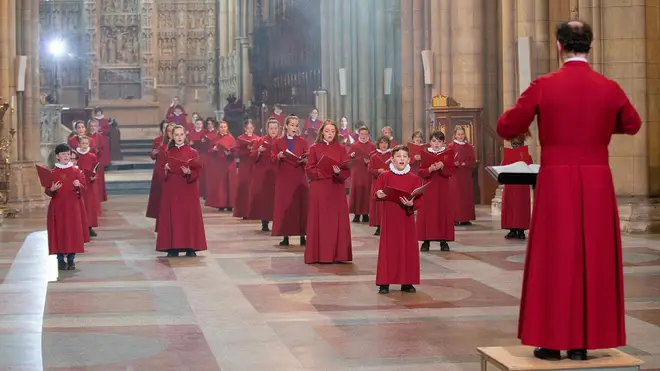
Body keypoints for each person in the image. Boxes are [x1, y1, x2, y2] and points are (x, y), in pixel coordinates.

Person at [496, 20, 642, 360]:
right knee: (595, 257)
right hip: (596, 179)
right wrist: (600, 130)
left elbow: (509, 125)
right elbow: (632, 124)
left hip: (557, 180)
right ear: (590, 46)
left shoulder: (545, 85)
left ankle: (552, 339)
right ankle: (583, 343)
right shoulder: (609, 87)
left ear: (559, 46)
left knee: (555, 256)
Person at [374, 145, 422, 294]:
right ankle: (384, 282)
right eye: (398, 156)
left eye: (404, 156)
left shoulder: (414, 178)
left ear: (409, 160)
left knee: (407, 249)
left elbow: (419, 199)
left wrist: (412, 203)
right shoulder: (385, 176)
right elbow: (376, 192)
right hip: (390, 219)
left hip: (406, 219)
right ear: (392, 159)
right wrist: (379, 193)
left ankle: (407, 282)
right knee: (388, 249)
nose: (401, 159)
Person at [304, 120, 352, 264]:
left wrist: (338, 173)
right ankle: (319, 255)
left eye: (332, 131)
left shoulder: (342, 149)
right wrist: (324, 172)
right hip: (319, 190)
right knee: (320, 221)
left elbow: (346, 170)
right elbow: (309, 169)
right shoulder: (314, 148)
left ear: (336, 133)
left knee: (336, 221)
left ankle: (339, 255)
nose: (330, 134)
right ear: (322, 132)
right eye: (327, 131)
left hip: (336, 188)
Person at [156, 125, 208, 257]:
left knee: (188, 217)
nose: (179, 137)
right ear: (172, 137)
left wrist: (190, 171)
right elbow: (159, 172)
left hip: (187, 188)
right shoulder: (167, 153)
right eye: (176, 135)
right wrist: (166, 168)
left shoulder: (193, 152)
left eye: (181, 134)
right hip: (172, 189)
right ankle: (172, 247)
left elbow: (198, 171)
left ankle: (190, 246)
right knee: (173, 217)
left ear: (185, 136)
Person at [45, 144, 86, 270]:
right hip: (58, 207)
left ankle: (71, 259)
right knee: (59, 231)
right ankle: (60, 259)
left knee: (72, 231)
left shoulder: (76, 171)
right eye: (63, 154)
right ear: (57, 156)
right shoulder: (52, 173)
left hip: (73, 206)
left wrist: (79, 185)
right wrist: (51, 189)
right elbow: (47, 190)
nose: (66, 156)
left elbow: (84, 189)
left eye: (68, 154)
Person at [271, 116, 308, 246]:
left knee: (300, 206)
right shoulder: (278, 142)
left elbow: (307, 157)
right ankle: (285, 236)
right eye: (292, 125)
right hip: (284, 178)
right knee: (285, 206)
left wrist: (305, 160)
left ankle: (303, 235)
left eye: (296, 125)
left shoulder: (302, 142)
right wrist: (279, 156)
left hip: (299, 177)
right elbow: (272, 159)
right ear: (286, 126)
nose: (294, 128)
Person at [417, 130, 455, 252]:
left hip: (443, 188)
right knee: (427, 213)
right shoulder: (425, 153)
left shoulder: (447, 154)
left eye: (439, 141)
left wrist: (442, 167)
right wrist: (430, 169)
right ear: (430, 142)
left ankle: (443, 241)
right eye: (434, 141)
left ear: (443, 142)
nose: (436, 144)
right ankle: (425, 241)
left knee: (442, 212)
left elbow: (450, 172)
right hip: (428, 187)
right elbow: (420, 172)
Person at [247, 119, 280, 231]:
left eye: (275, 128)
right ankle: (264, 223)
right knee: (264, 199)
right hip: (263, 174)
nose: (273, 131)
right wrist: (259, 151)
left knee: (276, 199)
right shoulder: (260, 140)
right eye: (271, 128)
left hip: (276, 174)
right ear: (267, 129)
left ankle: (278, 222)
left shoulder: (281, 141)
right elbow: (251, 155)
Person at [501, 138, 532, 240]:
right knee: (511, 207)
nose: (516, 146)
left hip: (521, 185)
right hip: (510, 185)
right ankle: (512, 230)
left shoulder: (526, 155)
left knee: (521, 208)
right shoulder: (508, 154)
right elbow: (503, 167)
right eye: (514, 144)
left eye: (518, 144)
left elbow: (530, 167)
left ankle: (521, 230)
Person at [448, 125, 477, 226]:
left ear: (465, 135)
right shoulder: (451, 146)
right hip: (455, 176)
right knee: (456, 196)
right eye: (458, 134)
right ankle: (455, 218)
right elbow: (447, 159)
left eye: (462, 134)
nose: (460, 136)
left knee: (466, 196)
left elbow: (473, 160)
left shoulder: (469, 147)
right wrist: (453, 163)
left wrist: (466, 163)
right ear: (455, 135)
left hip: (466, 174)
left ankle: (466, 218)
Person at [205, 120, 236, 211]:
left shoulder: (231, 138)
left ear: (227, 128)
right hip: (218, 164)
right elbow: (209, 151)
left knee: (229, 183)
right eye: (221, 127)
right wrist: (214, 150)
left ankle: (230, 204)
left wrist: (229, 152)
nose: (223, 129)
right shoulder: (215, 139)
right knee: (221, 185)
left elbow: (235, 151)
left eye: (224, 127)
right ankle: (221, 203)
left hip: (228, 163)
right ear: (219, 128)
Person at [348, 126, 376, 223]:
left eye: (365, 134)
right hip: (357, 171)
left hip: (367, 172)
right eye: (362, 134)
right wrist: (351, 156)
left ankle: (365, 214)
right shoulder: (354, 145)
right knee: (357, 192)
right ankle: (357, 214)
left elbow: (375, 158)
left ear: (368, 135)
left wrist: (370, 161)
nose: (364, 136)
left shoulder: (372, 146)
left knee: (366, 192)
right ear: (358, 134)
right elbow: (349, 158)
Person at [146, 121, 173, 220]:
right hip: (159, 168)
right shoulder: (158, 140)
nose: (166, 131)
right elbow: (152, 155)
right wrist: (154, 153)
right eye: (164, 128)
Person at [233, 120, 260, 219]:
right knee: (244, 188)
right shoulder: (240, 138)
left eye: (251, 128)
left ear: (254, 128)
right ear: (245, 128)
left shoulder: (257, 138)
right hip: (244, 165)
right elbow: (236, 153)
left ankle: (254, 212)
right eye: (248, 128)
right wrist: (246, 149)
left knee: (253, 187)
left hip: (254, 165)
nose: (249, 130)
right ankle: (244, 212)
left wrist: (254, 149)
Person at [75, 136, 101, 237]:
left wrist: (95, 177)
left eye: (86, 143)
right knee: (81, 205)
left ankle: (89, 227)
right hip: (80, 184)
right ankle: (80, 227)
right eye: (83, 143)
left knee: (90, 206)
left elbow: (96, 169)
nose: (85, 146)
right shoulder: (76, 156)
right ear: (79, 144)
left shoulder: (92, 156)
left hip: (90, 184)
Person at [368, 136, 392, 235]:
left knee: (388, 205)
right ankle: (379, 226)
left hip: (389, 183)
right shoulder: (374, 156)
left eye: (385, 143)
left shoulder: (392, 155)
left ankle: (389, 225)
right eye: (381, 143)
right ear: (378, 144)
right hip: (377, 183)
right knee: (378, 206)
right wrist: (378, 171)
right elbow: (369, 170)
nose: (384, 145)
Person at [87, 119, 109, 202]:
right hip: (88, 160)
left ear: (97, 127)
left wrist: (97, 151)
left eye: (95, 126)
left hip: (97, 160)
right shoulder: (86, 136)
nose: (93, 128)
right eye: (91, 126)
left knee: (98, 179)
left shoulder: (100, 137)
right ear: (88, 127)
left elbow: (103, 149)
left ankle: (99, 196)